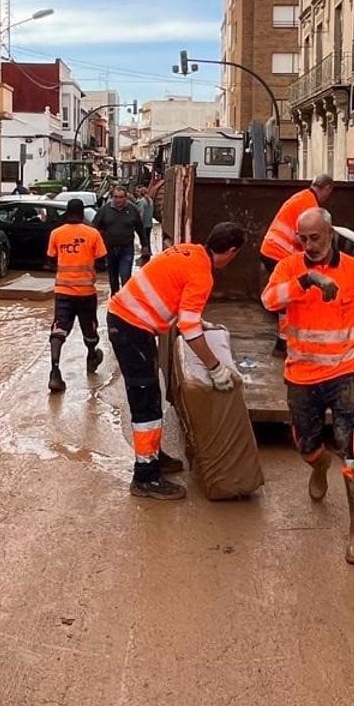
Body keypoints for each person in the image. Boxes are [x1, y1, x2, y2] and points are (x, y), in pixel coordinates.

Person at [262, 207, 354, 566]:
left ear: (331, 235)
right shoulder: (290, 267)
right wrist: (306, 281)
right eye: (303, 238)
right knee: (305, 443)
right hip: (301, 375)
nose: (309, 245)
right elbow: (268, 301)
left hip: (346, 371)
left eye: (316, 237)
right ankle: (318, 464)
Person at [107, 222, 249, 499]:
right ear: (231, 251)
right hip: (130, 327)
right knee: (145, 402)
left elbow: (174, 295)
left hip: (129, 322)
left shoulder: (189, 251)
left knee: (151, 397)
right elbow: (188, 330)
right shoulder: (203, 274)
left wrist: (198, 320)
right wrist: (216, 368)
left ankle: (152, 456)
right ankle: (145, 477)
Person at [259, 174, 335, 353]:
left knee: (286, 297)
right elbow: (301, 236)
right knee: (289, 297)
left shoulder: (302, 197)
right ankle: (284, 341)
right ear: (327, 188)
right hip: (279, 252)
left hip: (272, 250)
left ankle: (284, 340)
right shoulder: (310, 205)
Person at [45, 197, 107, 395]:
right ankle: (91, 356)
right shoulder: (92, 234)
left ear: (67, 212)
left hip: (63, 291)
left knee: (59, 329)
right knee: (89, 327)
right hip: (86, 292)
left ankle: (55, 371)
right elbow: (101, 262)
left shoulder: (56, 233)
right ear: (82, 213)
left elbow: (50, 261)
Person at [93, 185, 150, 294]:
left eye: (121, 197)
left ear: (126, 197)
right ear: (112, 197)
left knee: (125, 275)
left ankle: (125, 299)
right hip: (110, 249)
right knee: (113, 276)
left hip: (126, 248)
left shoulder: (132, 210)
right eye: (116, 197)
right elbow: (94, 229)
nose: (118, 200)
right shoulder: (104, 210)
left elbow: (140, 229)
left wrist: (145, 245)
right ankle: (115, 298)